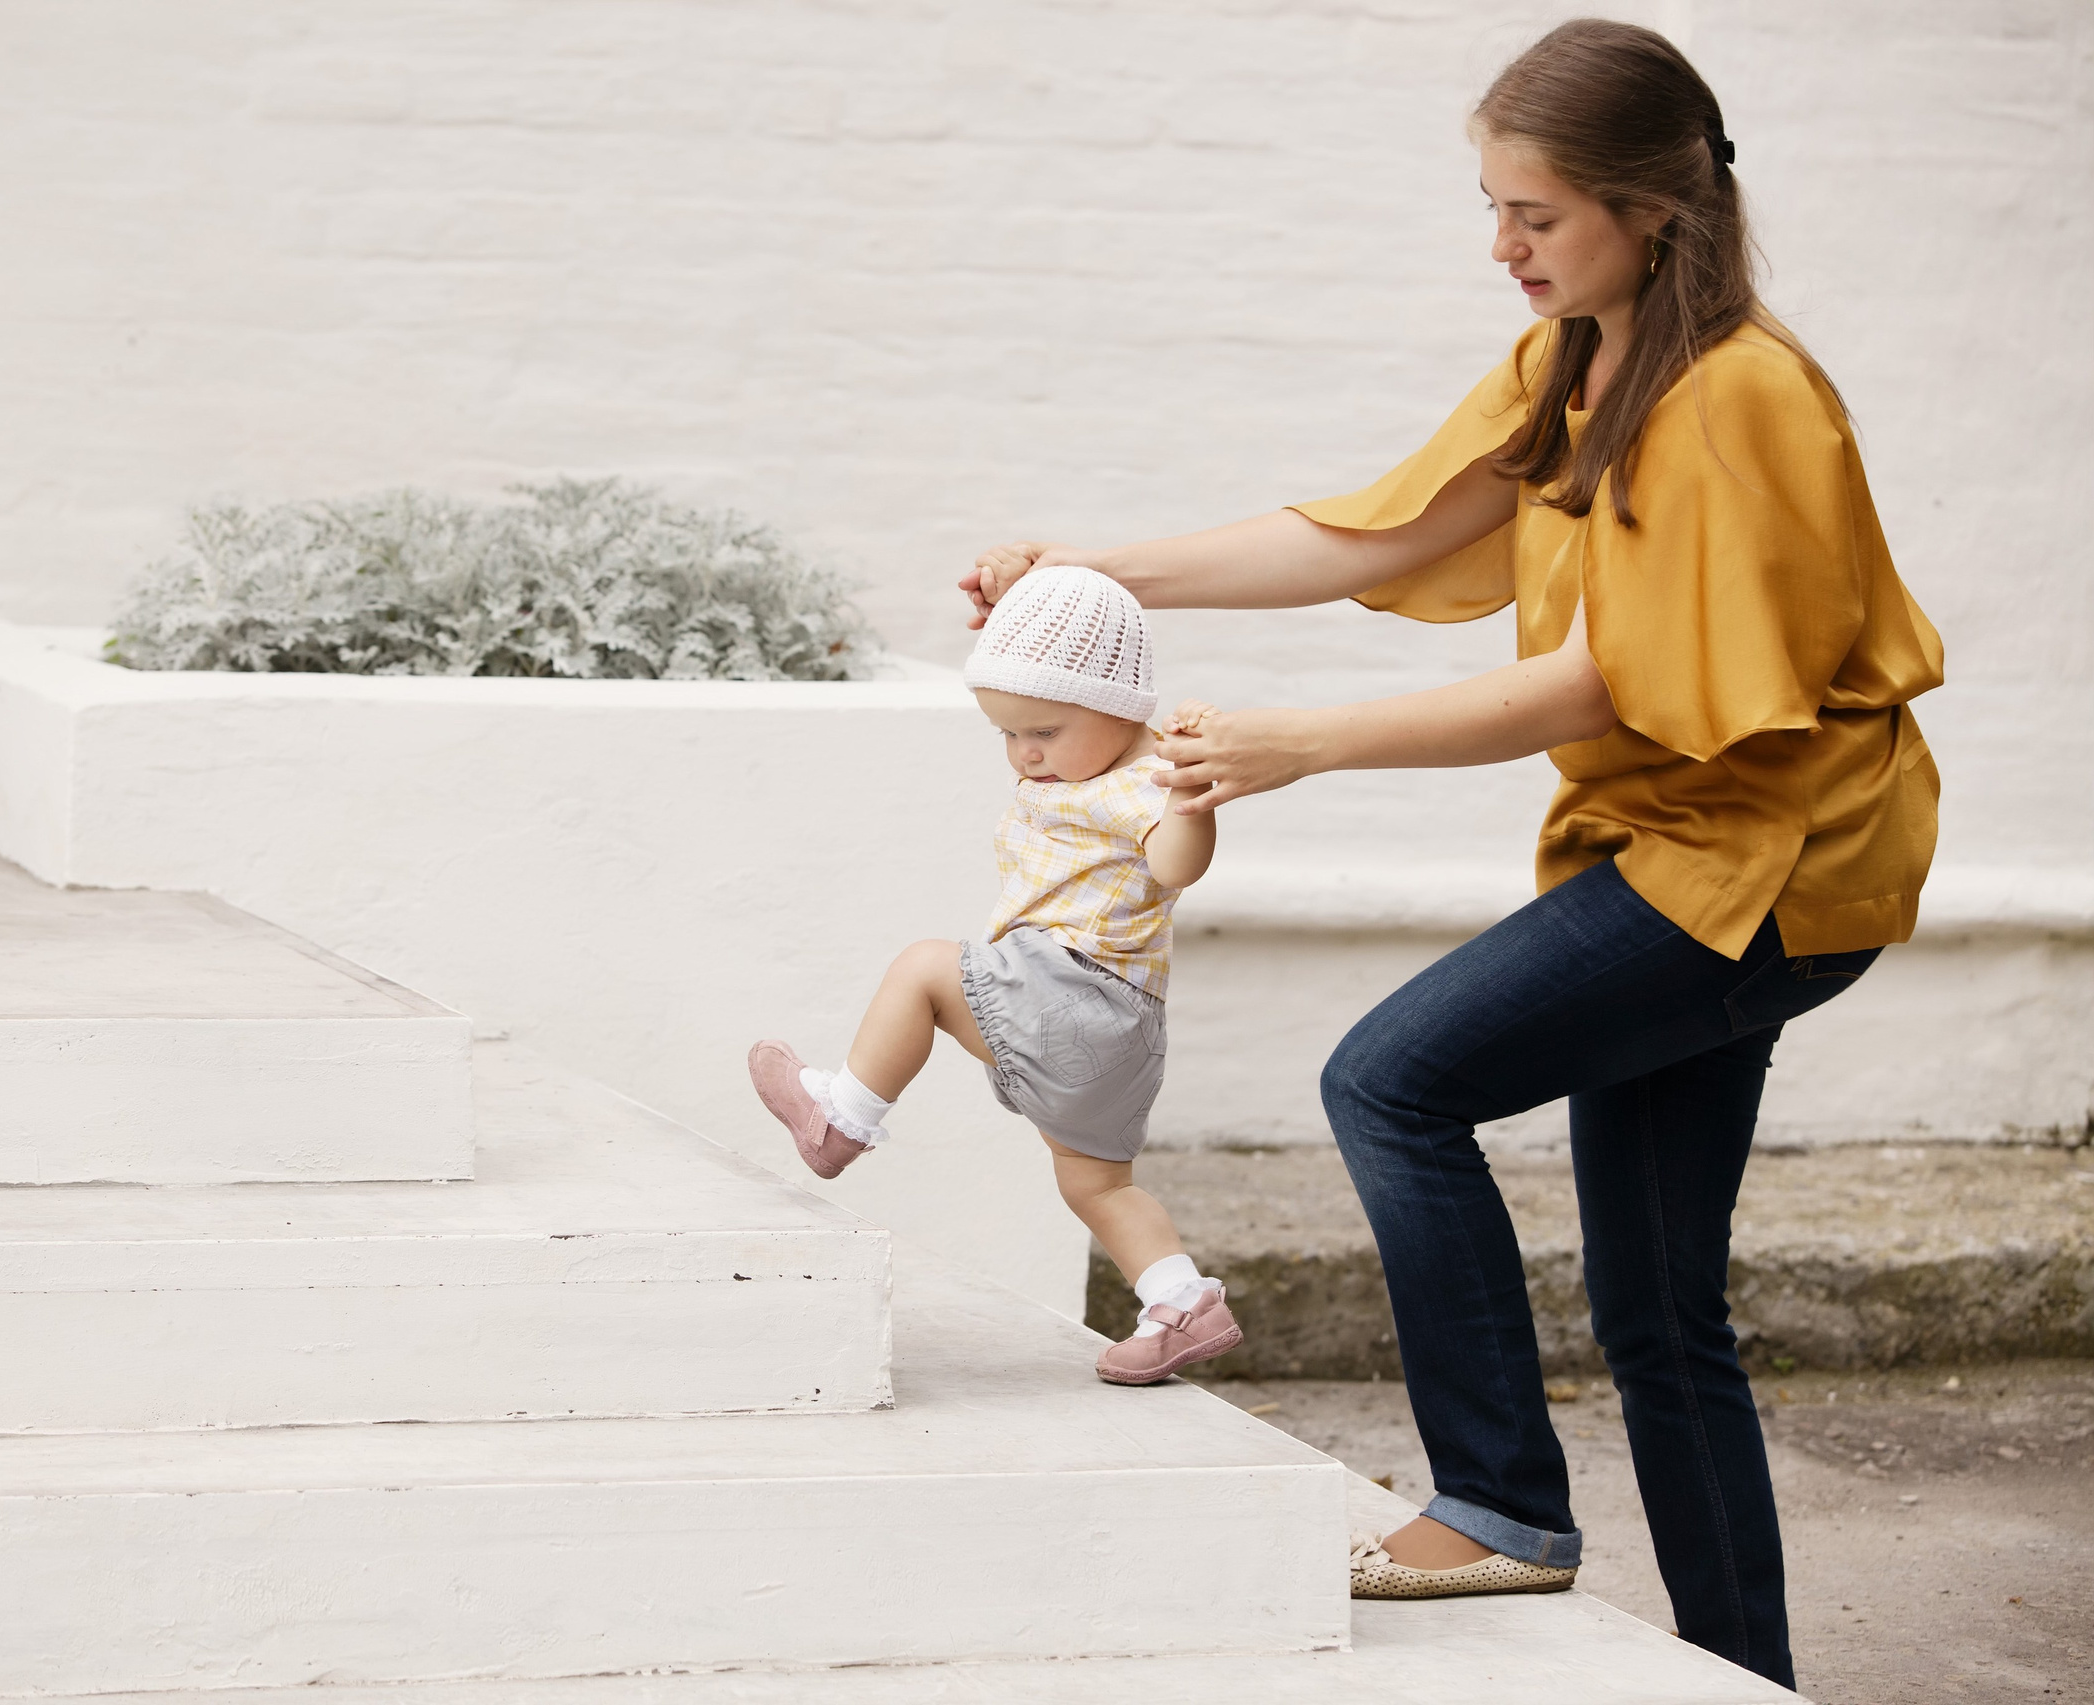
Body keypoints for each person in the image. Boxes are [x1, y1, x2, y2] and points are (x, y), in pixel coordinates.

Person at [958, 19, 1942, 1689]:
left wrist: (1307, 745)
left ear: (1656, 209)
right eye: (1493, 207)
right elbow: (1387, 531)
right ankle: (1746, 1671)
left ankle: (1496, 1501)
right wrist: (1097, 571)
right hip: (1668, 849)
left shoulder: (1740, 398)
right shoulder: (1580, 357)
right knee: (1657, 1308)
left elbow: (1615, 674)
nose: (1503, 246)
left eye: (1536, 214)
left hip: (1769, 865)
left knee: (1393, 1082)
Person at [747, 565, 1244, 1385]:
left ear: (1123, 705)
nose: (1027, 752)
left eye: (1044, 728)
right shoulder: (1083, 769)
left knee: (925, 970)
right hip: (1118, 1033)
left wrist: (1194, 799)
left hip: (1078, 992)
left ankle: (842, 1120)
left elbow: (1173, 865)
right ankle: (1182, 1304)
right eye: (1009, 734)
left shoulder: (1144, 780)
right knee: (1098, 1187)